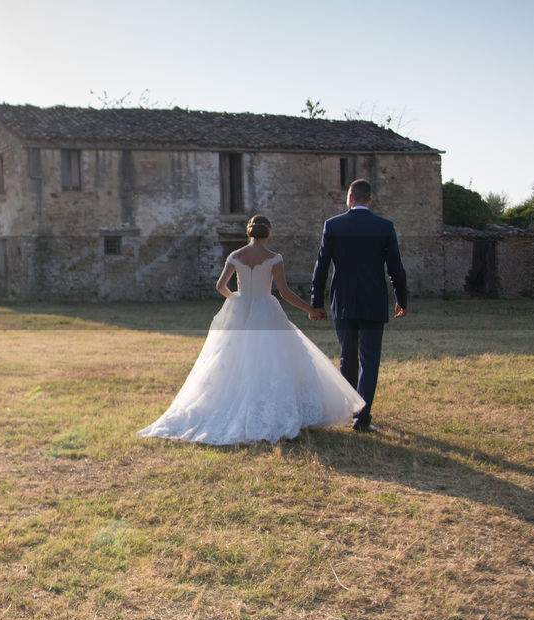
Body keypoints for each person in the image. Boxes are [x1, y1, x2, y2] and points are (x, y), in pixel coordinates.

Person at [139, 215, 365, 445]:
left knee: (234, 361)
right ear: (268, 234)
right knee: (272, 360)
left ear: (249, 233)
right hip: (267, 309)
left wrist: (237, 300)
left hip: (242, 310)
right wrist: (310, 309)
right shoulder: (274, 258)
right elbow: (285, 293)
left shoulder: (235, 256)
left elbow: (220, 286)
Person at [309, 179, 408, 433]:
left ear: (349, 199)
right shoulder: (385, 227)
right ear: (370, 200)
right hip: (373, 301)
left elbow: (321, 267)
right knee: (370, 360)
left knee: (347, 357)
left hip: (343, 300)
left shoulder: (333, 225)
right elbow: (396, 268)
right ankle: (362, 418)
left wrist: (316, 302)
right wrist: (401, 298)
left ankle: (348, 410)